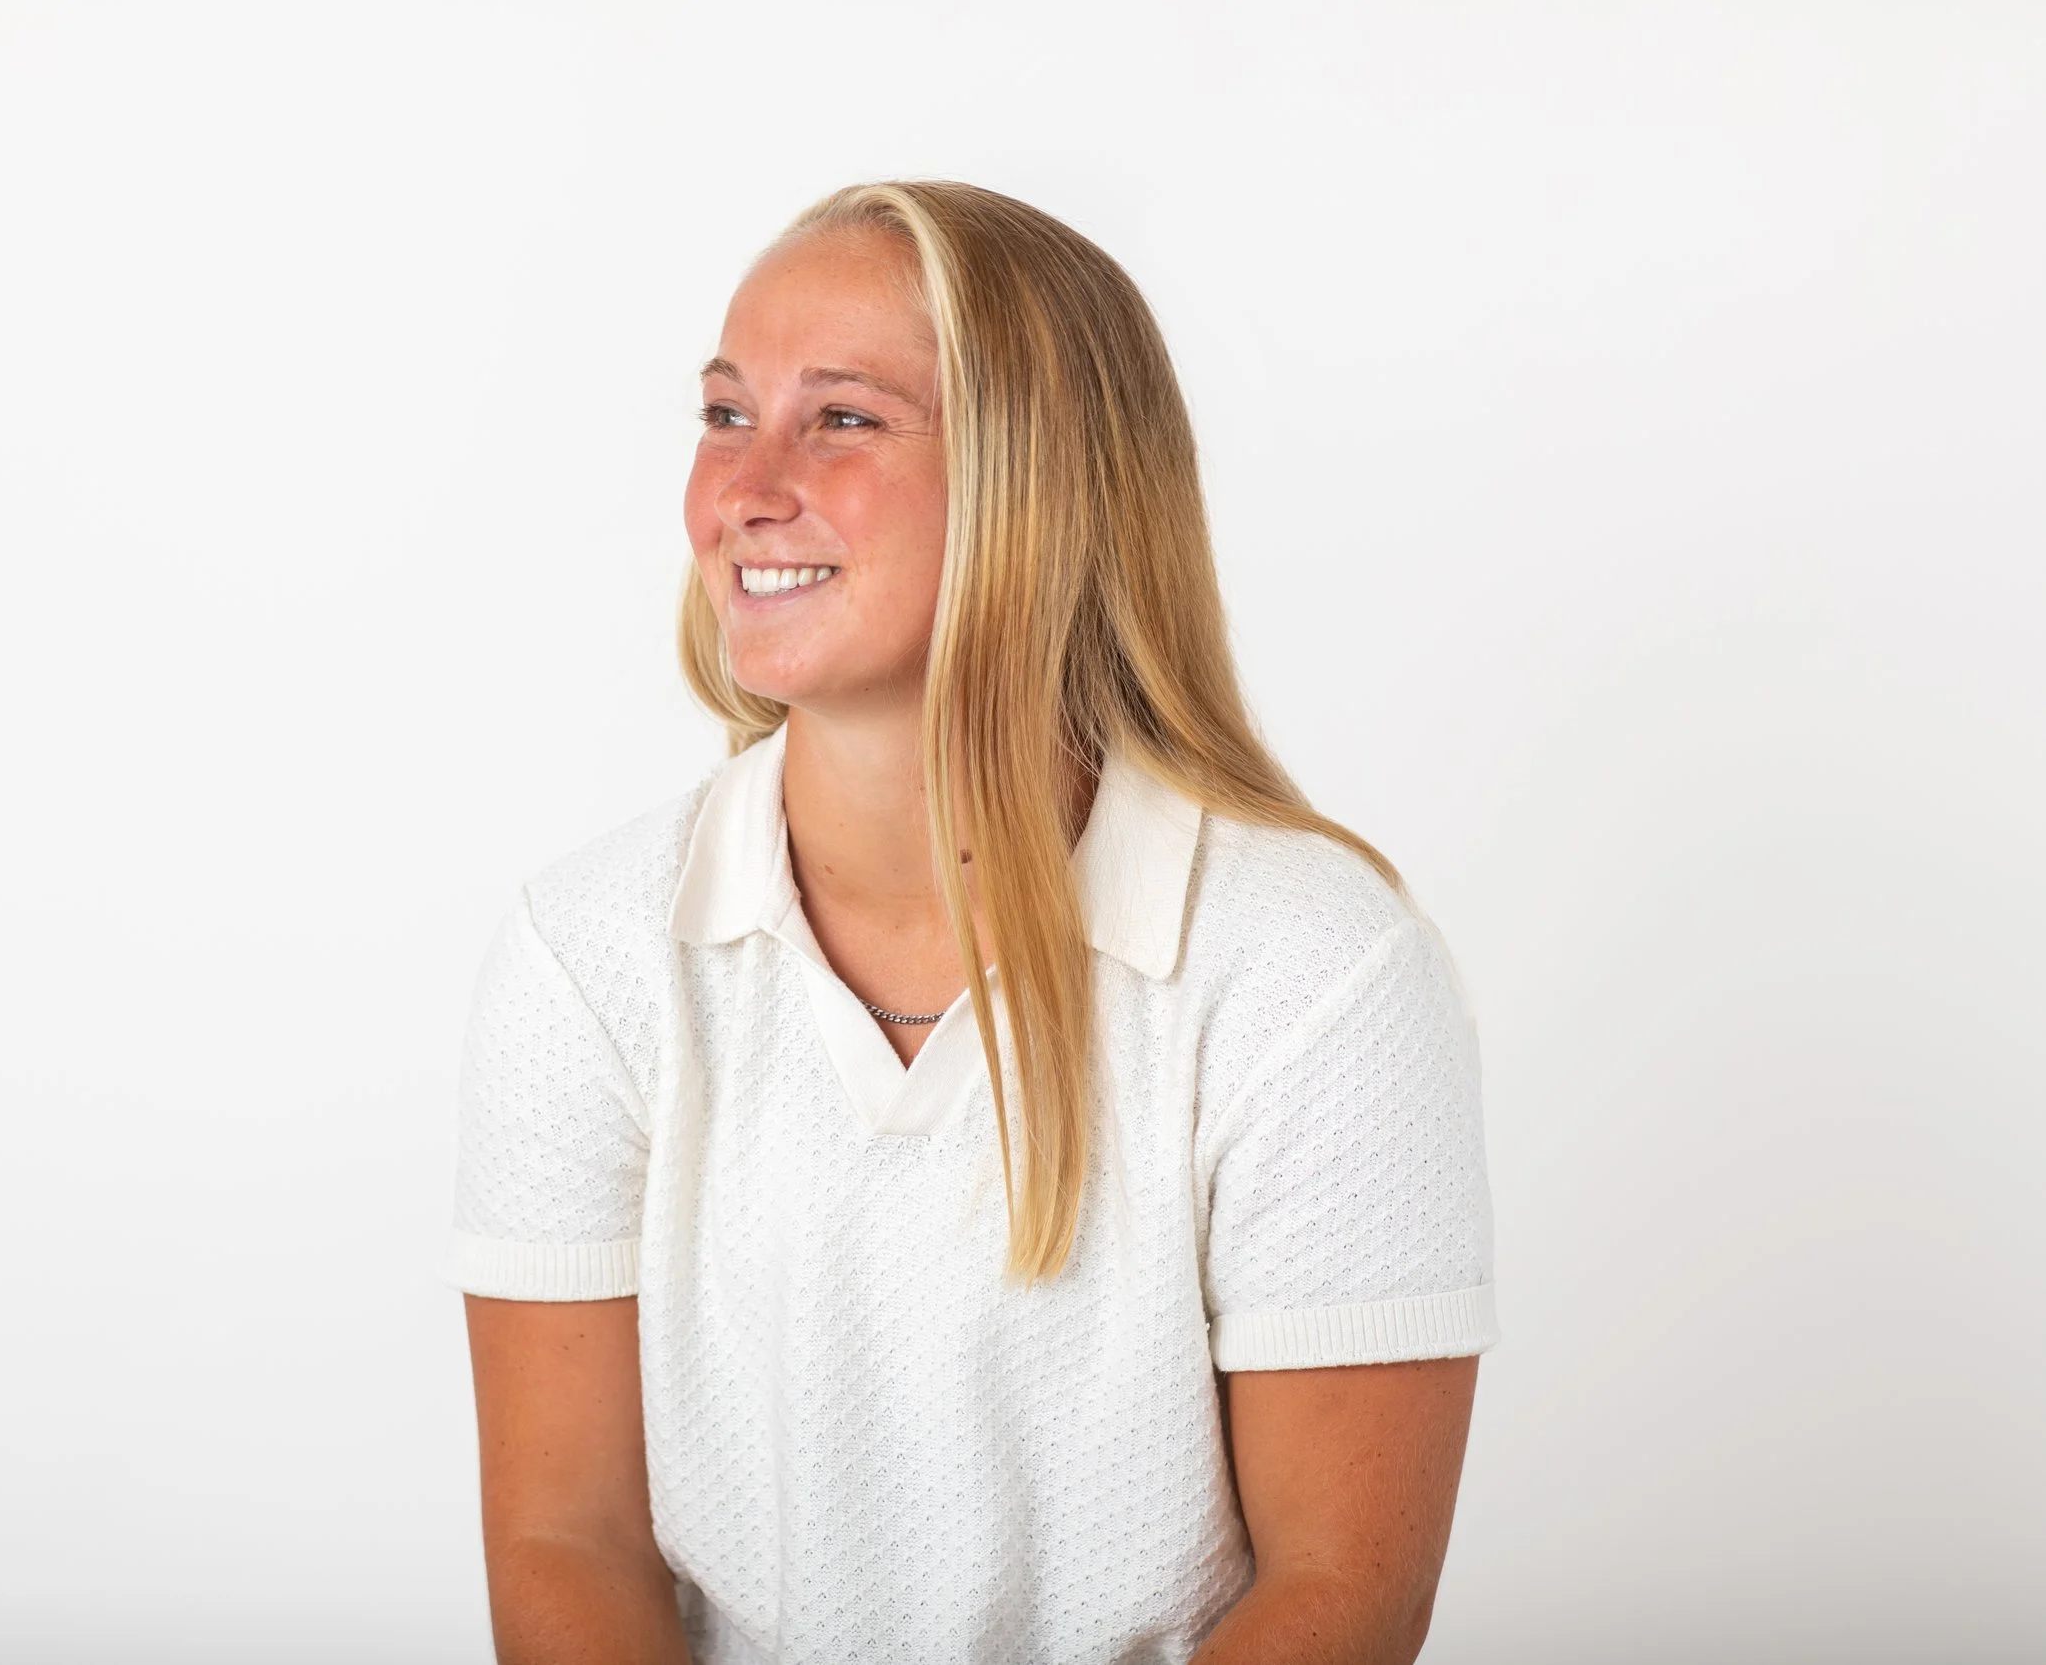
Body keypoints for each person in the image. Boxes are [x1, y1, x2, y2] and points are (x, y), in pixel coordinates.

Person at [443, 179, 1498, 1664]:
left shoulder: (1313, 971)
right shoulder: (590, 953)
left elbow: (1337, 1595)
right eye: (727, 414)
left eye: (847, 419)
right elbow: (572, 1540)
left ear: (1041, 478)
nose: (745, 490)